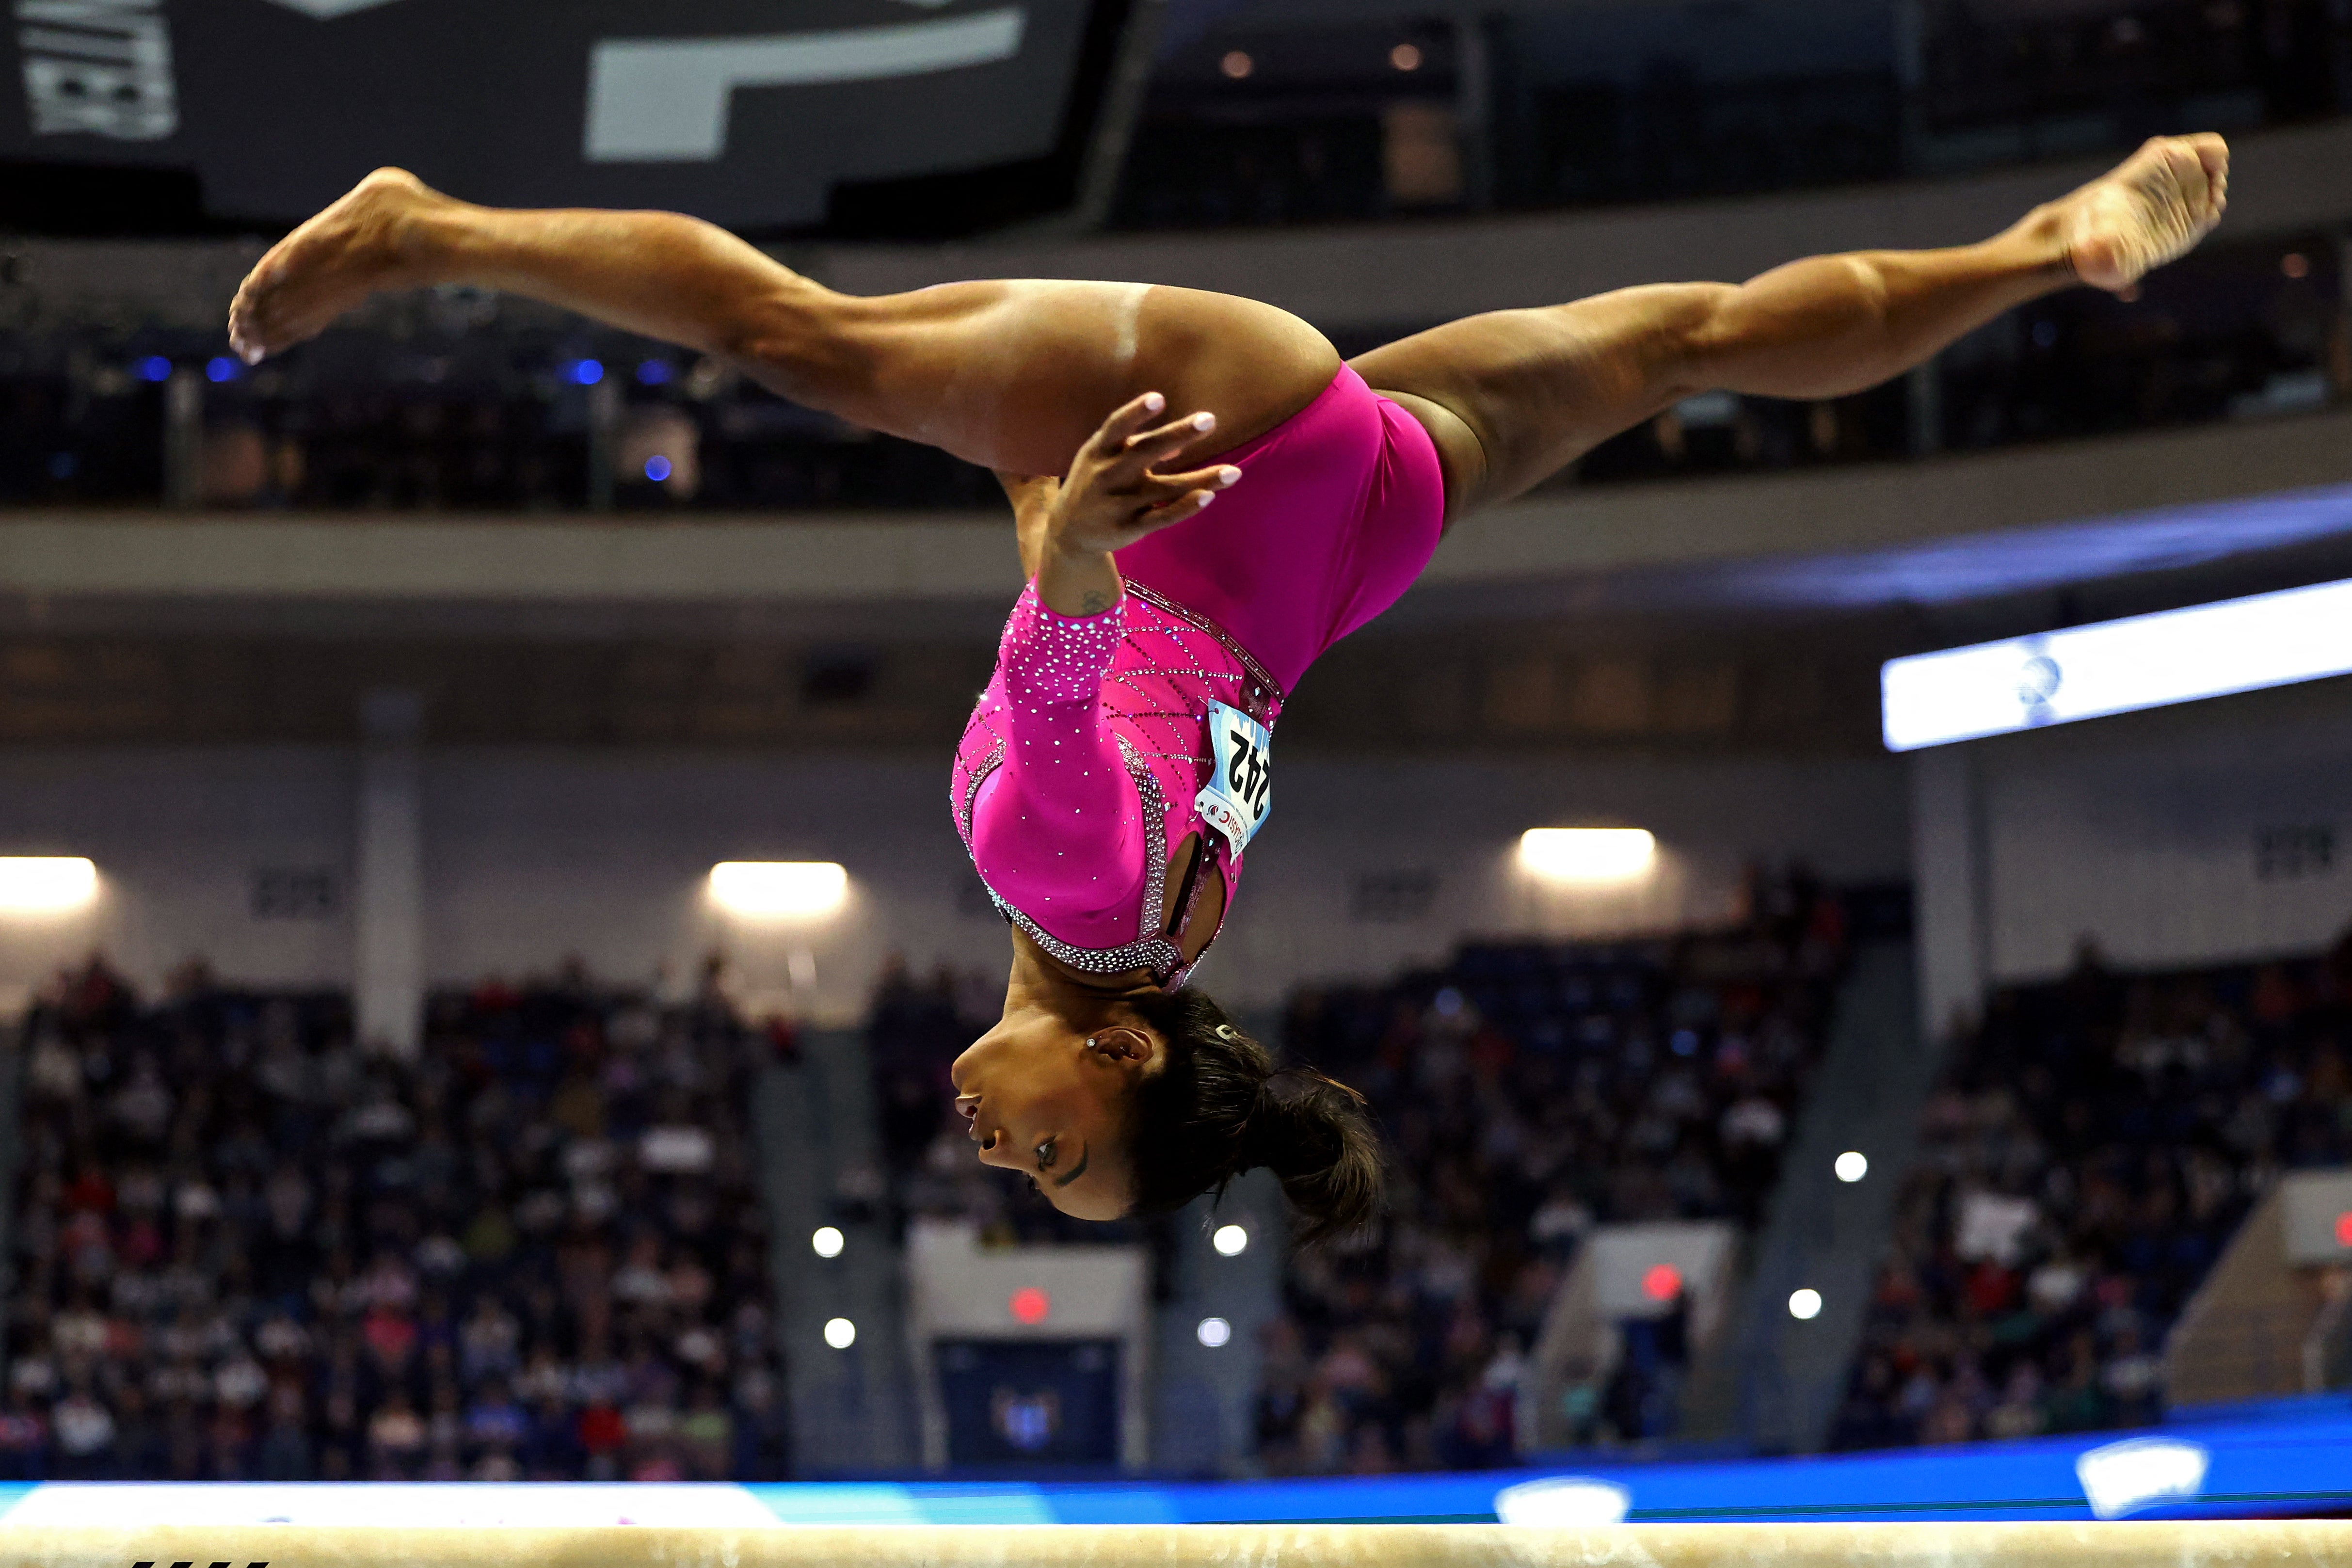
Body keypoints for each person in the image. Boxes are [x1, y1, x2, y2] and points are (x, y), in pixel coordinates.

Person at [227, 135, 2230, 1244]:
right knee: (807, 343)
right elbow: (1078, 651)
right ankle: (429, 228)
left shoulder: (1179, 938)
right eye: (1044, 1152)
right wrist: (1077, 509)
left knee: (1682, 339)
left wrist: (1053, 512)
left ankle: (2040, 245)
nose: (986, 1144)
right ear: (1113, 1066)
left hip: (1344, 538)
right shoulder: (1075, 904)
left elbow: (1136, 688)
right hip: (1217, 455)